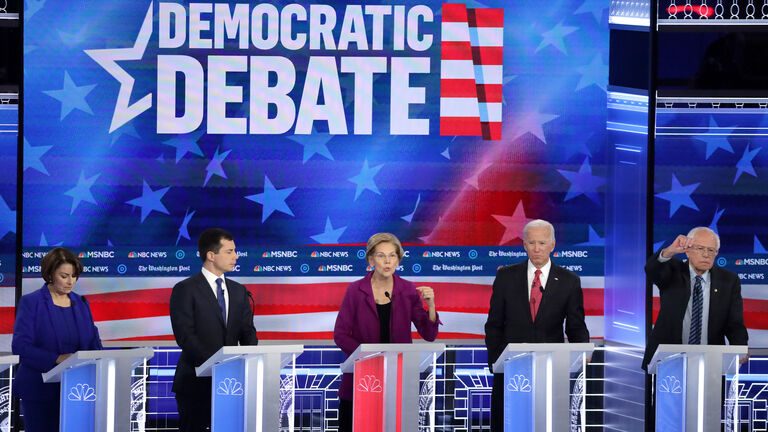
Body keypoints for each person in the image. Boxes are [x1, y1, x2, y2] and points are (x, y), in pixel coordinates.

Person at [484, 219, 590, 431]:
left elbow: (575, 325)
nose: (537, 249)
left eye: (542, 243)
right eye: (531, 243)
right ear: (524, 245)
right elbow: (494, 324)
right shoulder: (506, 276)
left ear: (552, 245)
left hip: (551, 366)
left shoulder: (569, 280)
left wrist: (582, 350)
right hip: (511, 367)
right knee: (509, 421)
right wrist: (497, 361)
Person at [333, 233, 441, 432]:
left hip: (397, 378)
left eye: (392, 255)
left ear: (399, 259)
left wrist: (431, 305)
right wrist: (367, 356)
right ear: (371, 259)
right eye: (381, 255)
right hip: (361, 377)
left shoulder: (408, 290)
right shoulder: (355, 290)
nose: (387, 261)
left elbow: (428, 334)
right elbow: (340, 334)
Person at [169, 228, 259, 432]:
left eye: (235, 251)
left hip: (233, 385)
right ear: (211, 255)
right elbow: (185, 336)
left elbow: (248, 333)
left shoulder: (239, 291)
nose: (236, 256)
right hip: (195, 383)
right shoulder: (185, 289)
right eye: (229, 251)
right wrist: (216, 365)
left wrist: (249, 359)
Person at [11, 247, 103, 432]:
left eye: (74, 276)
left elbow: (93, 343)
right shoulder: (32, 302)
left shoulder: (82, 303)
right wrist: (57, 358)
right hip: (40, 390)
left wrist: (102, 361)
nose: (71, 282)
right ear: (50, 274)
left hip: (79, 390)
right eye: (65, 276)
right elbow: (20, 346)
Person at [642, 227, 748, 370]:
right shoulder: (673, 271)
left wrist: (740, 349)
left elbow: (734, 323)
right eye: (700, 248)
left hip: (711, 360)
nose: (706, 255)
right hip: (669, 358)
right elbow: (651, 269)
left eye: (711, 250)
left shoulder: (728, 280)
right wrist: (670, 251)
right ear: (688, 250)